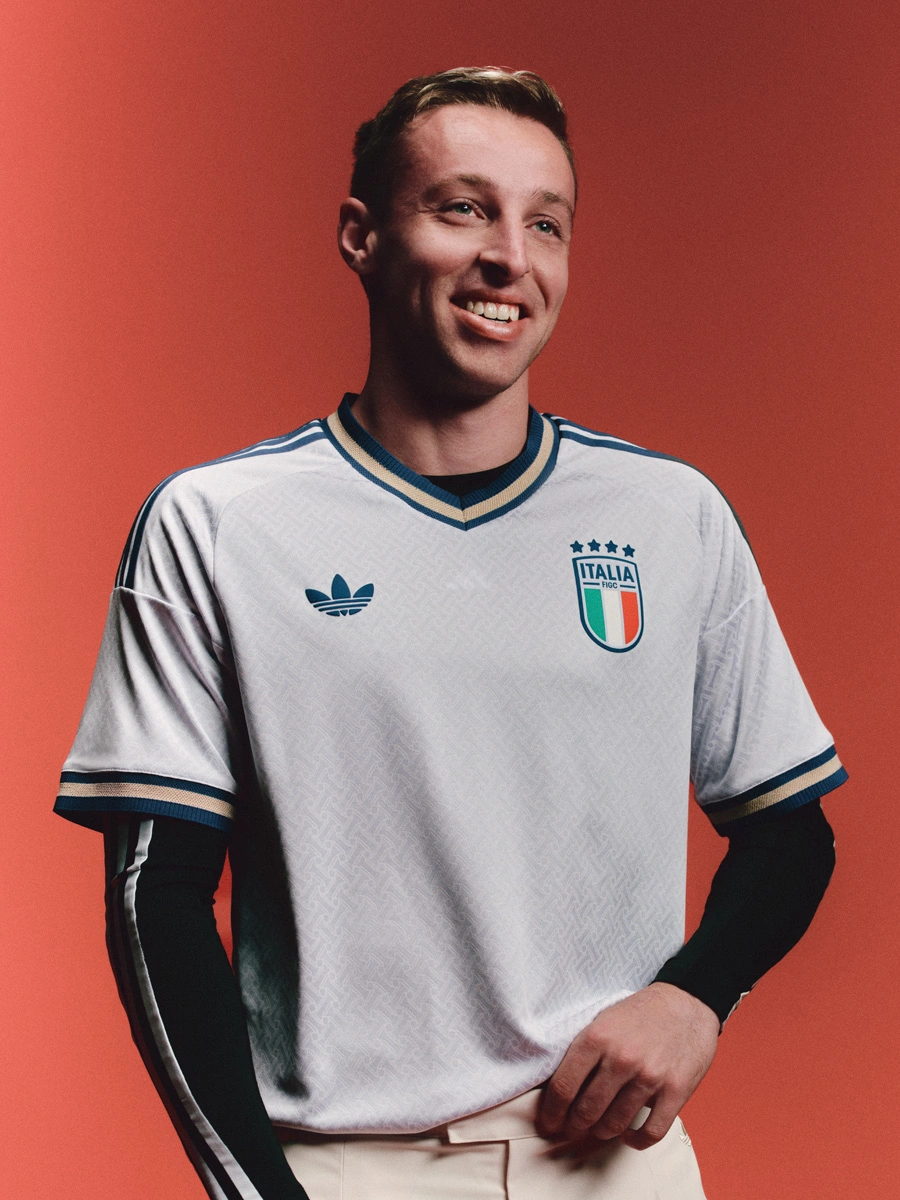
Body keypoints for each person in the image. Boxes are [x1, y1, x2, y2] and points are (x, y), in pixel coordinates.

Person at [56, 68, 845, 1200]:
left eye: (546, 224)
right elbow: (157, 897)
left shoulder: (672, 517)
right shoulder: (217, 525)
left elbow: (791, 834)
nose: (509, 258)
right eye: (464, 208)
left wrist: (696, 996)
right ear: (362, 237)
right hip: (344, 1167)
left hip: (615, 1168)